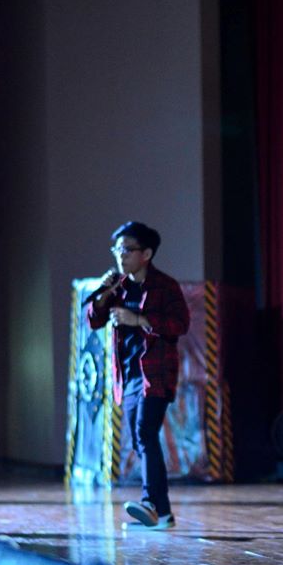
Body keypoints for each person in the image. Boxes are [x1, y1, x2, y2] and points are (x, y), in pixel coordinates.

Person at [88, 221, 190, 529]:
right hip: (128, 375)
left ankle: (151, 504)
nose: (121, 256)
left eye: (127, 250)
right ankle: (162, 513)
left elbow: (180, 324)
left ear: (146, 254)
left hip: (155, 373)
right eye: (117, 250)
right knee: (139, 438)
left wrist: (139, 319)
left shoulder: (165, 286)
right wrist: (104, 293)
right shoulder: (118, 286)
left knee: (145, 433)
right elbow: (93, 320)